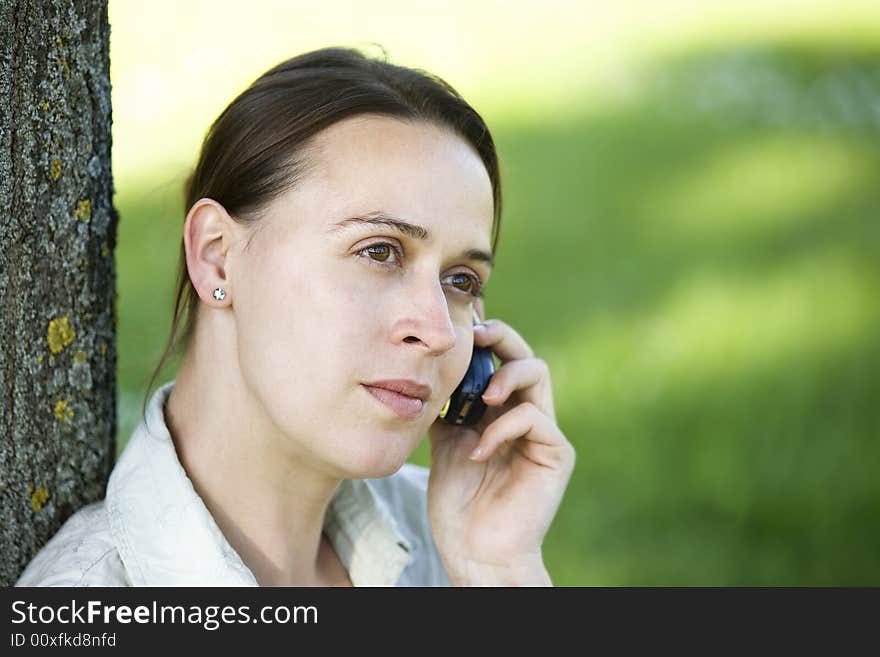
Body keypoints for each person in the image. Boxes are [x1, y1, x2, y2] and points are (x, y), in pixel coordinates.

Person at [16, 45, 575, 587]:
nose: (436, 331)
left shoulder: (450, 540)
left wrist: (498, 573)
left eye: (460, 281)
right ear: (217, 256)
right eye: (378, 251)